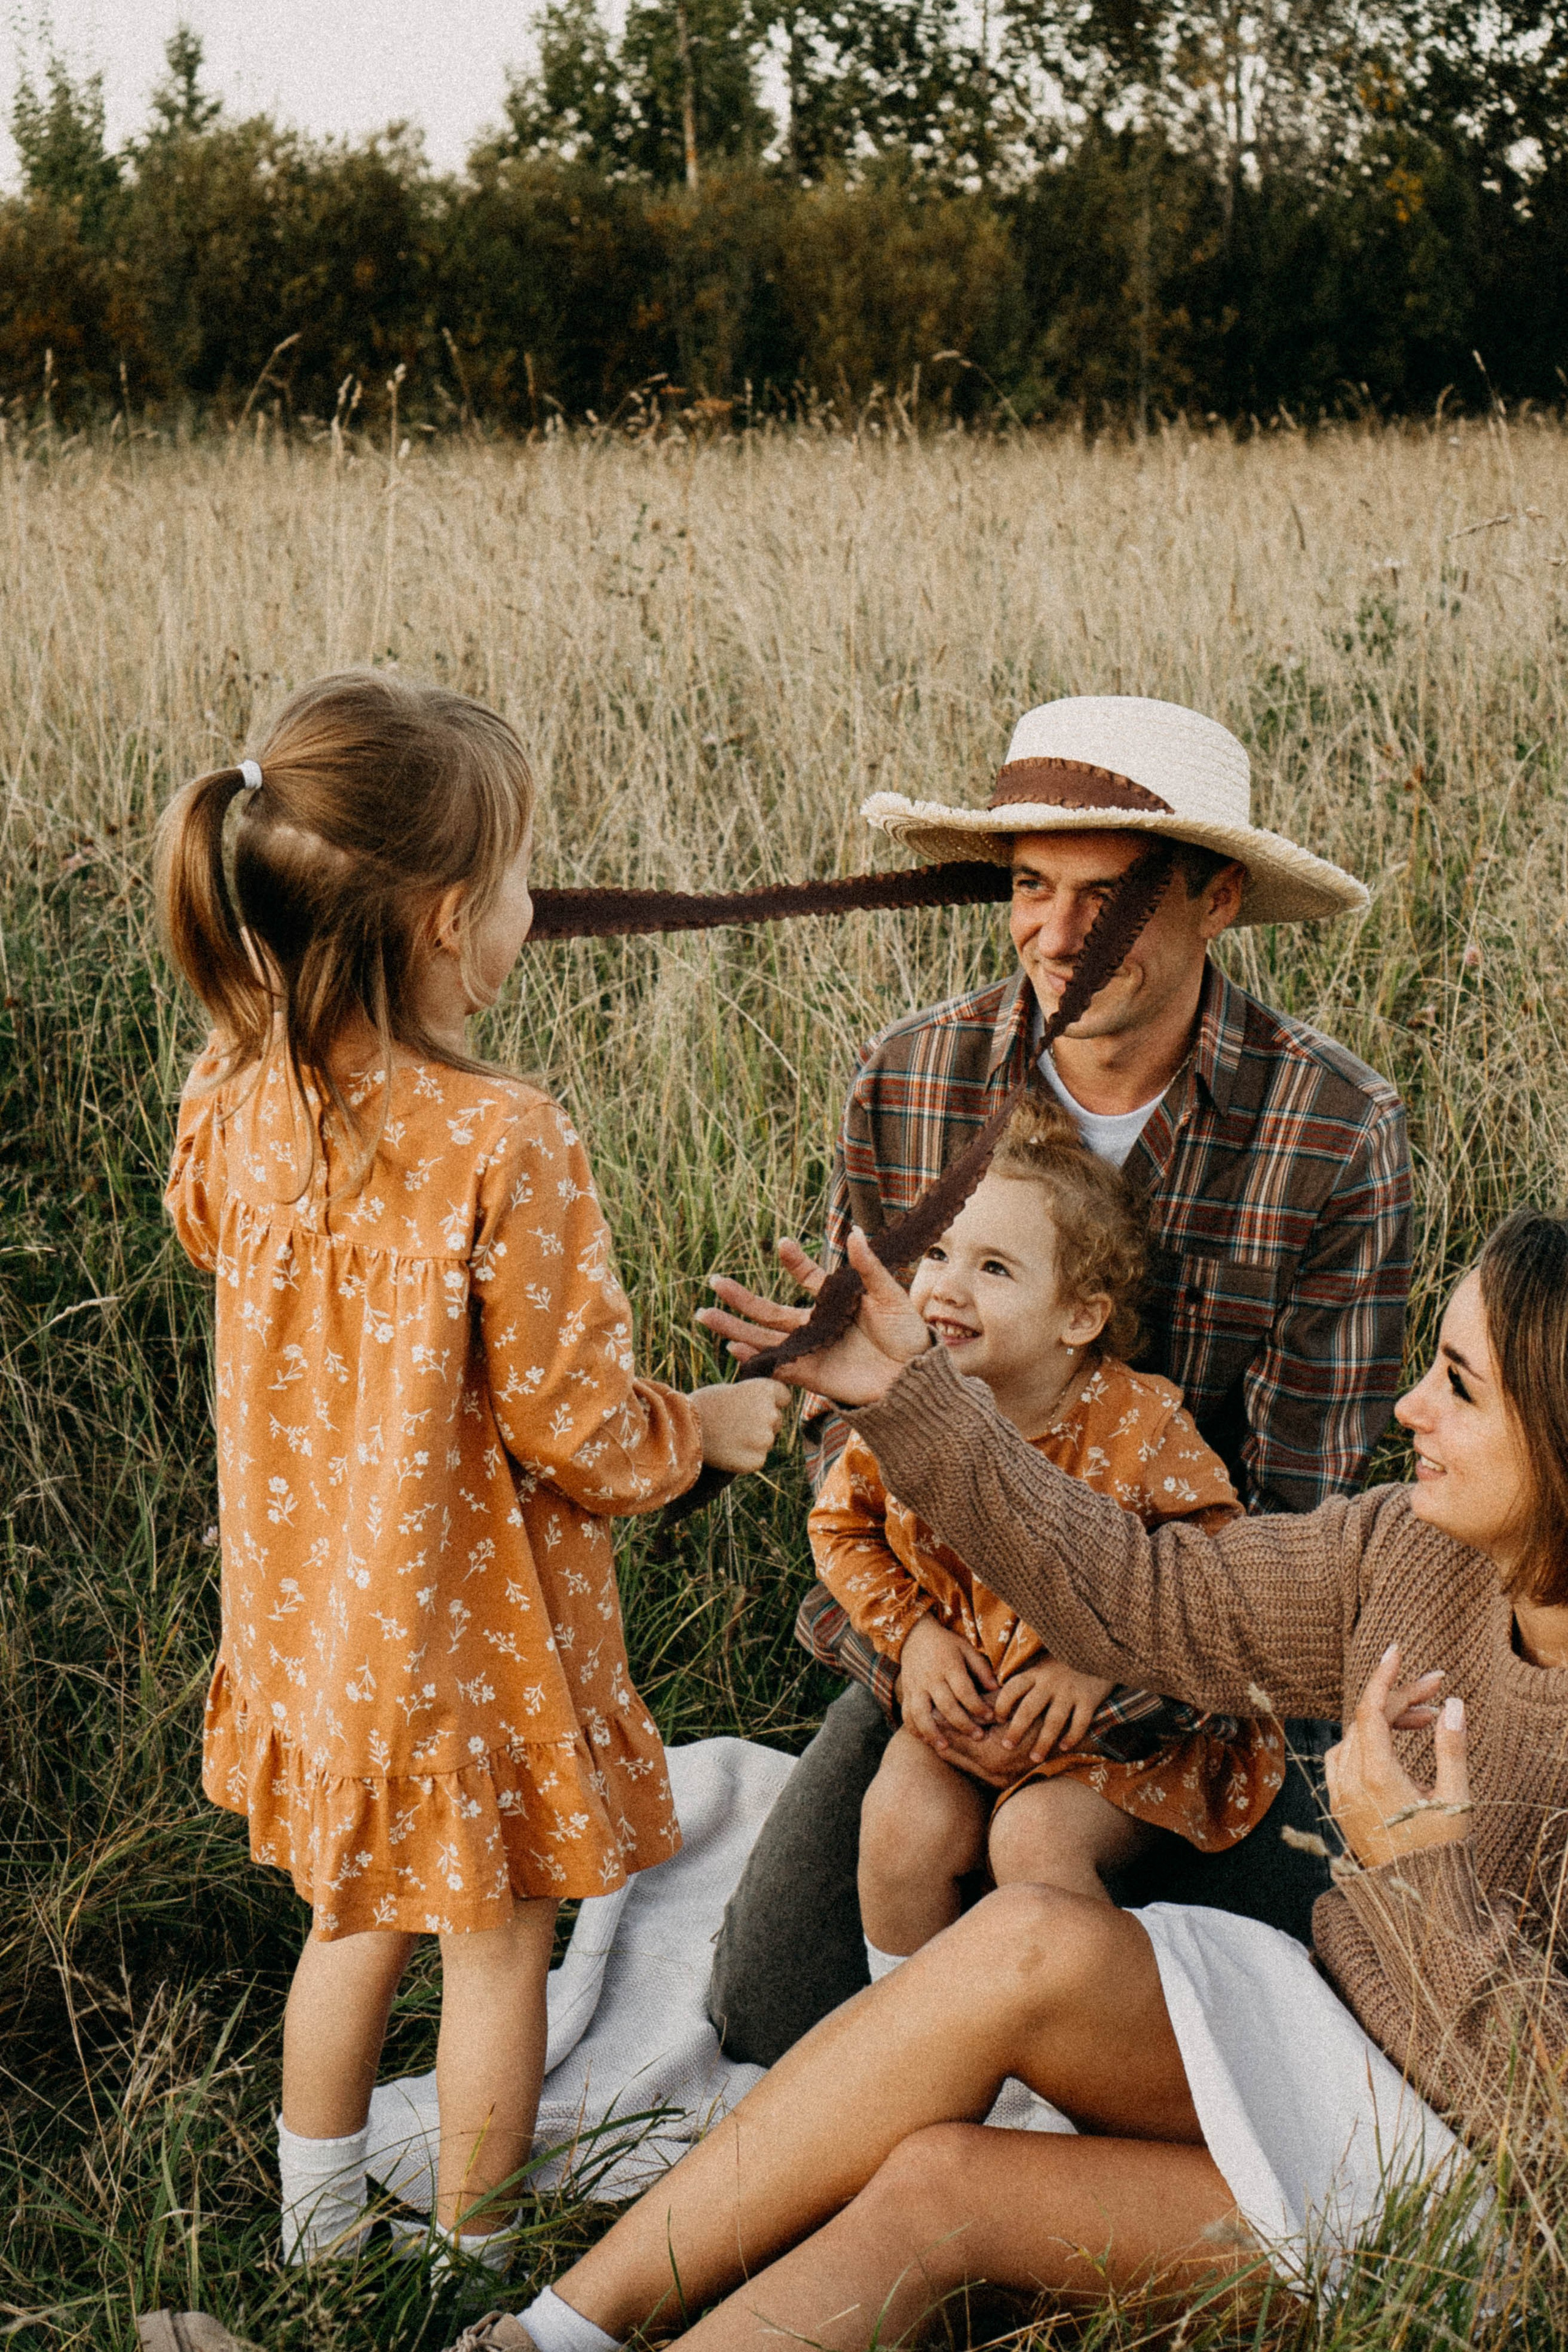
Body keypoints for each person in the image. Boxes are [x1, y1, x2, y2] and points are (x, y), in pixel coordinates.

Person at [448, 1205, 1568, 2352]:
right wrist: (911, 1399)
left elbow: (1553, 2136)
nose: (1409, 1410)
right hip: (1343, 2039)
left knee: (945, 2192)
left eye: (1462, 1387)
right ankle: (544, 2337)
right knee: (1025, 1937)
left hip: (1475, 2200)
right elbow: (1140, 1596)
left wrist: (1424, 1871)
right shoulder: (1413, 1548)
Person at [156, 673, 786, 2269]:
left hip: (314, 1628)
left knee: (349, 1913)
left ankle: (316, 2244)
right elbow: (574, 1423)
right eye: (516, 879)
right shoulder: (508, 1139)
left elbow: (208, 1235)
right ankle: (473, 2263)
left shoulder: (231, 1095)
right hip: (464, 1649)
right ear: (446, 919)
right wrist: (700, 1430)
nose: (533, 906)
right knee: (503, 1946)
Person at [711, 693, 1412, 2061]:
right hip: (956, 1630)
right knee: (769, 2010)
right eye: (1030, 888)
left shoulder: (1333, 1130)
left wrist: (1116, 1662)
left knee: (1294, 2016)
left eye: (1109, 896)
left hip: (1204, 1664)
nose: (1054, 934)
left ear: (1214, 901)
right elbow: (848, 1426)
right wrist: (903, 1647)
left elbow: (1296, 1504)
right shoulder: (911, 1078)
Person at [812, 1097, 1281, 1966]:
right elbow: (841, 1526)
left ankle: (1065, 2056)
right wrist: (912, 1640)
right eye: (941, 1252)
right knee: (901, 1823)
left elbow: (1220, 1562)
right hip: (967, 1697)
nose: (946, 1286)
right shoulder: (910, 1409)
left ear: (1080, 1318)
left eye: (994, 1268)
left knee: (1032, 1844)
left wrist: (1099, 1660)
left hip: (1114, 1729)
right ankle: (912, 2041)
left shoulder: (1136, 1425)